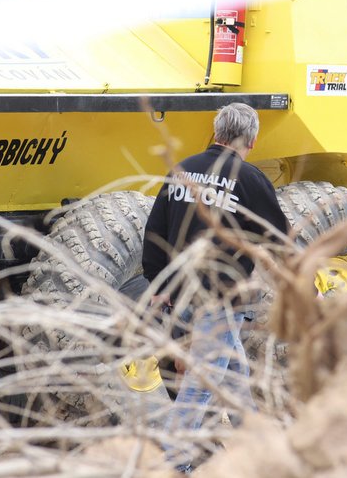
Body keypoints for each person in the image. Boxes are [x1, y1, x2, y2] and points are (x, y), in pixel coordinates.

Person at [141, 102, 289, 473]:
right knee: (203, 382)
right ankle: (173, 463)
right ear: (251, 140)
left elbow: (155, 230)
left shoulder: (183, 170)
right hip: (222, 299)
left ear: (216, 131)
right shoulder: (251, 180)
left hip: (183, 293)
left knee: (234, 372)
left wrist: (159, 281)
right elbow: (281, 242)